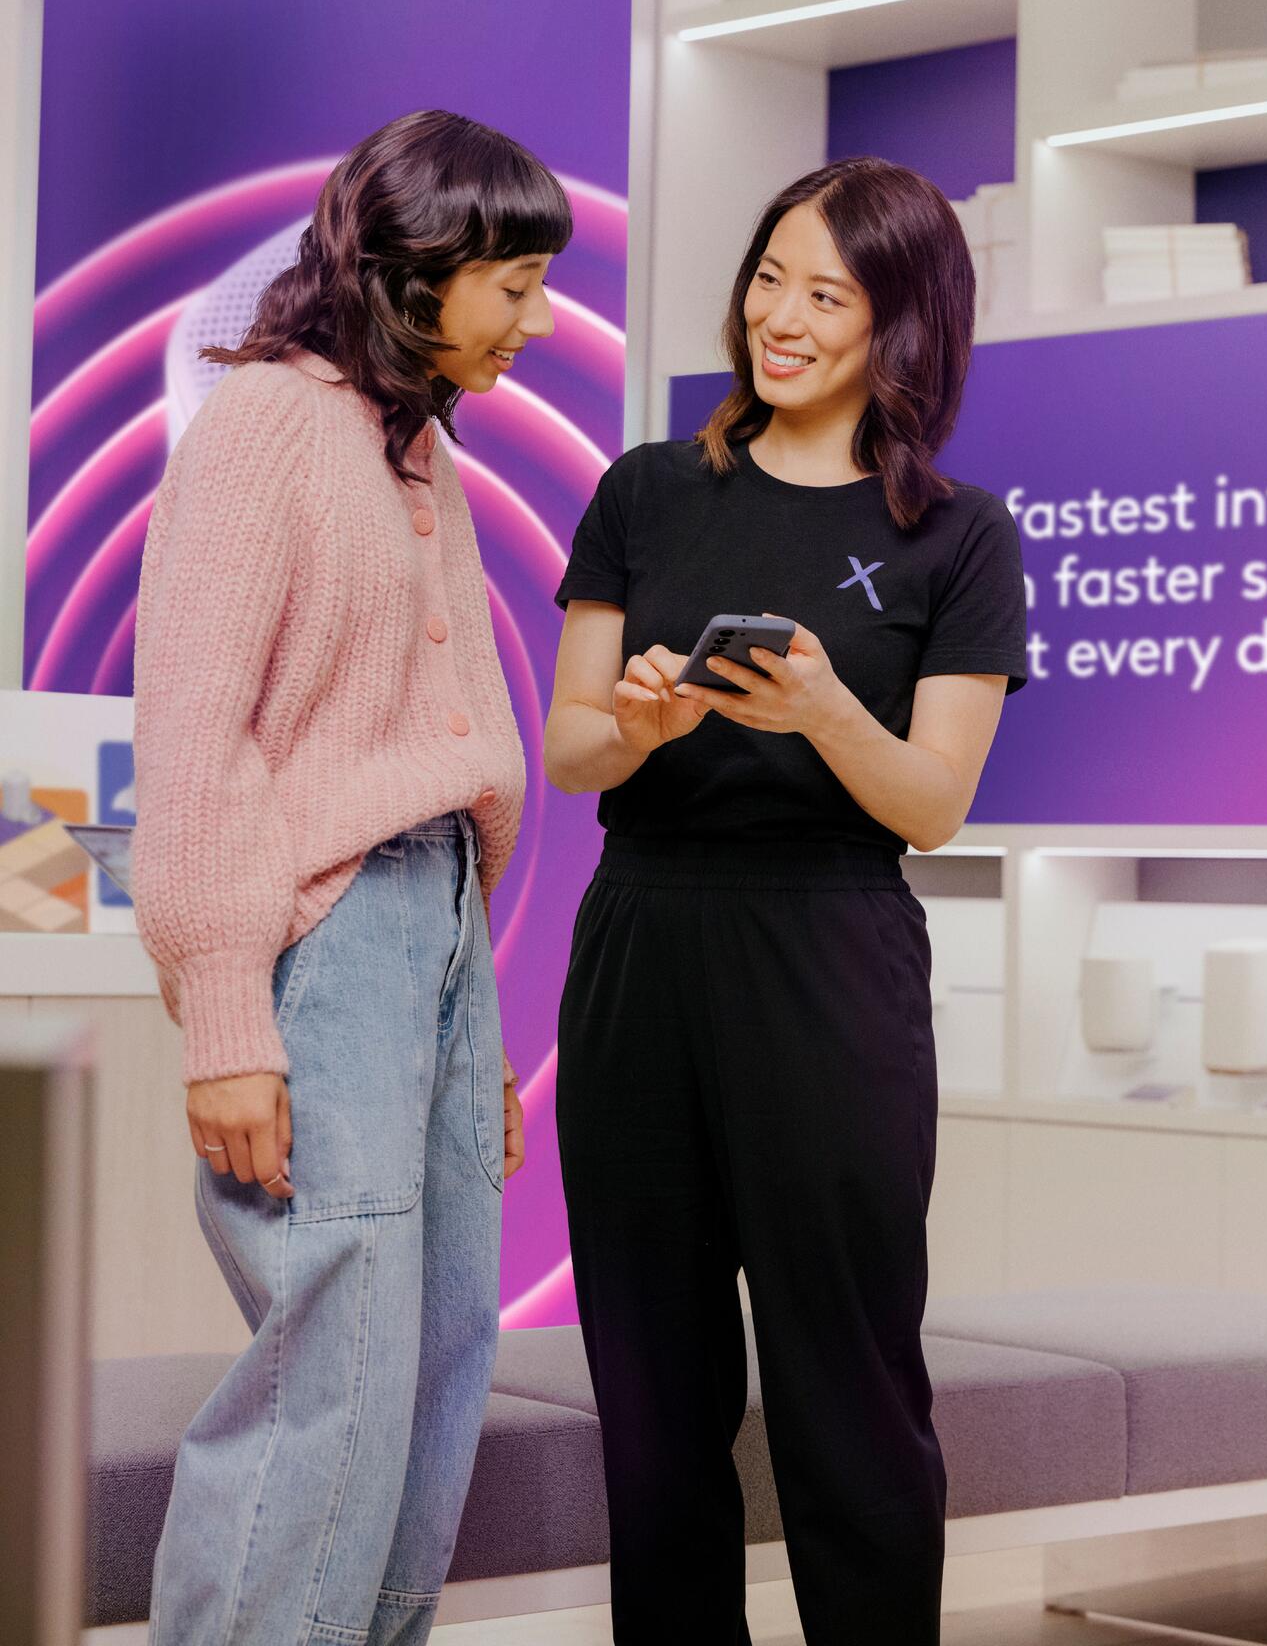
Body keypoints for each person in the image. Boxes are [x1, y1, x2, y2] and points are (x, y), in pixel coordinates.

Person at [545, 156, 1029, 1646]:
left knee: (848, 1382)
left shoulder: (959, 535)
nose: (783, 318)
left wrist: (821, 709)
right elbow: (567, 752)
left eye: (828, 295)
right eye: (770, 278)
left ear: (902, 326)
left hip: (831, 949)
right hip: (641, 942)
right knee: (652, 1389)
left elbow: (932, 804)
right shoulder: (644, 489)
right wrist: (643, 726)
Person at [131, 108, 566, 1645]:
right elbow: (193, 736)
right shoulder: (267, 420)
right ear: (416, 267)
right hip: (327, 934)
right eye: (514, 284)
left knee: (437, 1349)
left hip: (429, 923)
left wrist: (473, 1030)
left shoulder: (419, 448)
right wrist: (225, 1015)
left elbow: (437, 751)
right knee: (336, 1358)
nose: (535, 320)